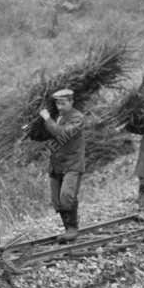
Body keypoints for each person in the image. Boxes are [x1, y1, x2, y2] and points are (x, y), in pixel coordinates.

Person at [39, 88, 86, 242]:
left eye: (63, 103)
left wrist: (47, 118)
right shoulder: (57, 117)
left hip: (72, 164)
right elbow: (46, 134)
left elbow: (61, 133)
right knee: (57, 201)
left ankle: (72, 229)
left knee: (67, 196)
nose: (60, 107)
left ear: (71, 102)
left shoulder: (78, 118)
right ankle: (67, 229)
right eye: (58, 103)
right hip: (56, 164)